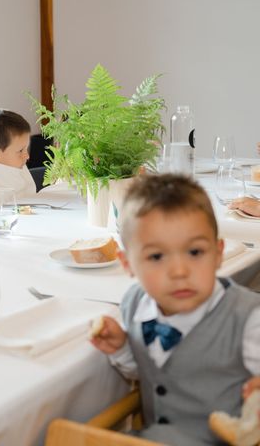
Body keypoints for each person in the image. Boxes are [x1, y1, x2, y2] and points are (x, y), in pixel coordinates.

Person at [90, 173, 260, 445]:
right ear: (128, 264)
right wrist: (123, 347)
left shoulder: (248, 319)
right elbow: (149, 372)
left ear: (218, 254)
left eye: (195, 252)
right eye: (156, 256)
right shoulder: (134, 303)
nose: (179, 271)